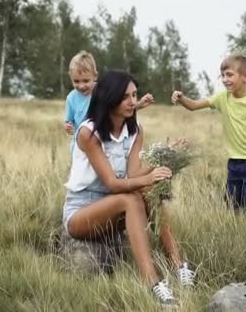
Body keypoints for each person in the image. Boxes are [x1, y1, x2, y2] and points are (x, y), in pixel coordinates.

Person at [63, 70, 195, 306]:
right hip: (82, 213)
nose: (133, 102)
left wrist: (166, 153)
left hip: (113, 209)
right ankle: (153, 283)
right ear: (109, 98)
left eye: (135, 95)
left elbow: (133, 174)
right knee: (131, 198)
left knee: (144, 191)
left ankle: (178, 265)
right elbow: (113, 184)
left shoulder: (135, 130)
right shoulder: (88, 133)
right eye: (126, 97)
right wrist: (150, 177)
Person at [171, 53, 246, 232]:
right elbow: (194, 105)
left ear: (245, 77)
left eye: (229, 75)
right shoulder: (222, 98)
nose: (225, 79)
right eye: (223, 75)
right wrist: (181, 98)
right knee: (234, 203)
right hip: (234, 161)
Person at [64, 51, 154, 150]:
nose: (81, 86)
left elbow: (118, 109)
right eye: (76, 81)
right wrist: (68, 127)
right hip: (81, 147)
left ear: (95, 76)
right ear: (70, 77)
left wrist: (139, 104)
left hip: (103, 143)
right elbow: (69, 121)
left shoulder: (103, 91)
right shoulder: (71, 98)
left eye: (86, 81)